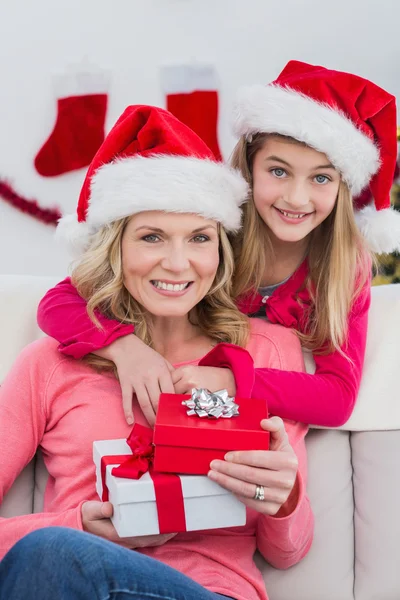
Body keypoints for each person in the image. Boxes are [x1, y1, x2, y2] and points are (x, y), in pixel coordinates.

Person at [0, 105, 313, 600]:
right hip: (69, 577)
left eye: (199, 239)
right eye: (151, 237)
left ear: (220, 252)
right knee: (54, 553)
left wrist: (284, 497)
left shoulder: (266, 351)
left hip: (210, 592)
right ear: (115, 248)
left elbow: (288, 552)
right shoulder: (49, 365)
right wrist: (77, 526)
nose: (177, 262)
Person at [36, 61, 400, 428]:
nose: (296, 198)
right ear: (250, 165)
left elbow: (337, 399)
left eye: (321, 178)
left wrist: (232, 381)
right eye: (278, 171)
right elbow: (58, 302)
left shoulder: (342, 267)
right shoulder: (216, 231)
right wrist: (123, 347)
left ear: (343, 187)